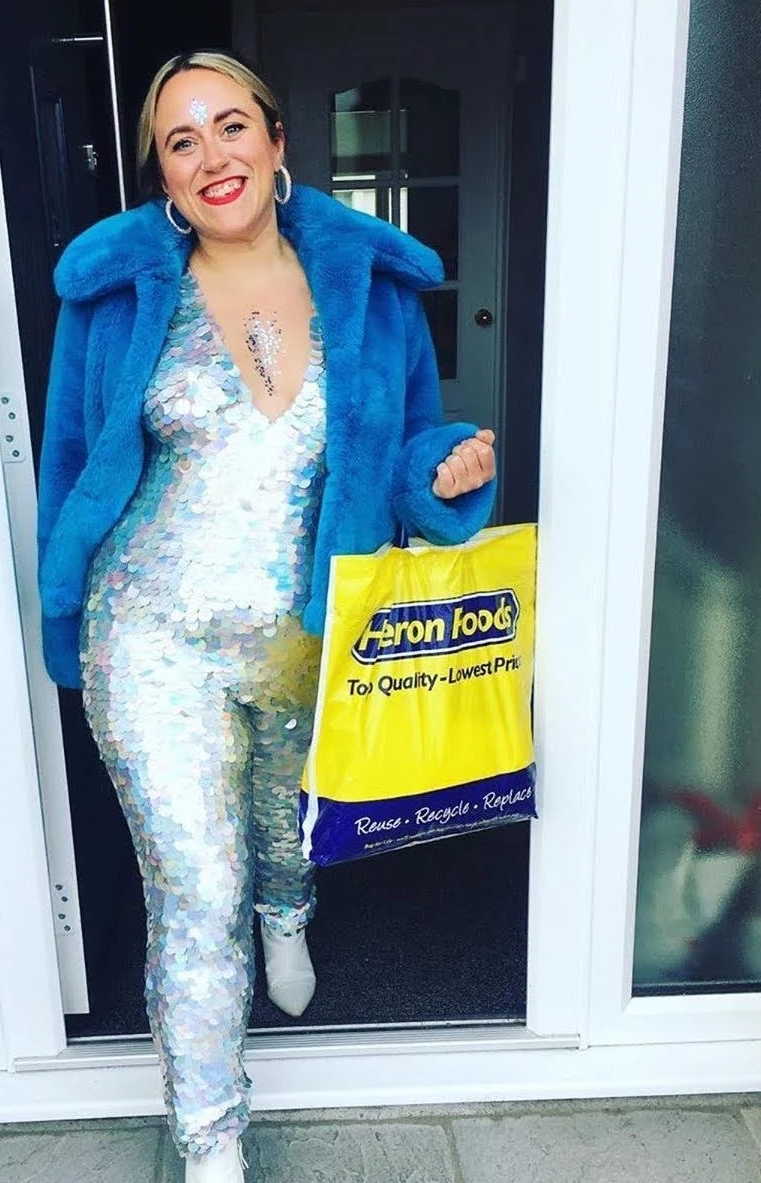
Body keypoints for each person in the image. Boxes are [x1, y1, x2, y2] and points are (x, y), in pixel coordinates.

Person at [36, 49, 496, 1183]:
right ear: (163, 175)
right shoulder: (117, 292)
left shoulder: (369, 289)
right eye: (180, 141)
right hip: (146, 631)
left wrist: (447, 473)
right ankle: (211, 1141)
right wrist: (58, 609)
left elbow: (398, 453)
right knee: (192, 883)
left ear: (277, 142)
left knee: (274, 829)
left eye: (229, 126)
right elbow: (69, 463)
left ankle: (286, 906)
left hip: (298, 633)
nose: (210, 156)